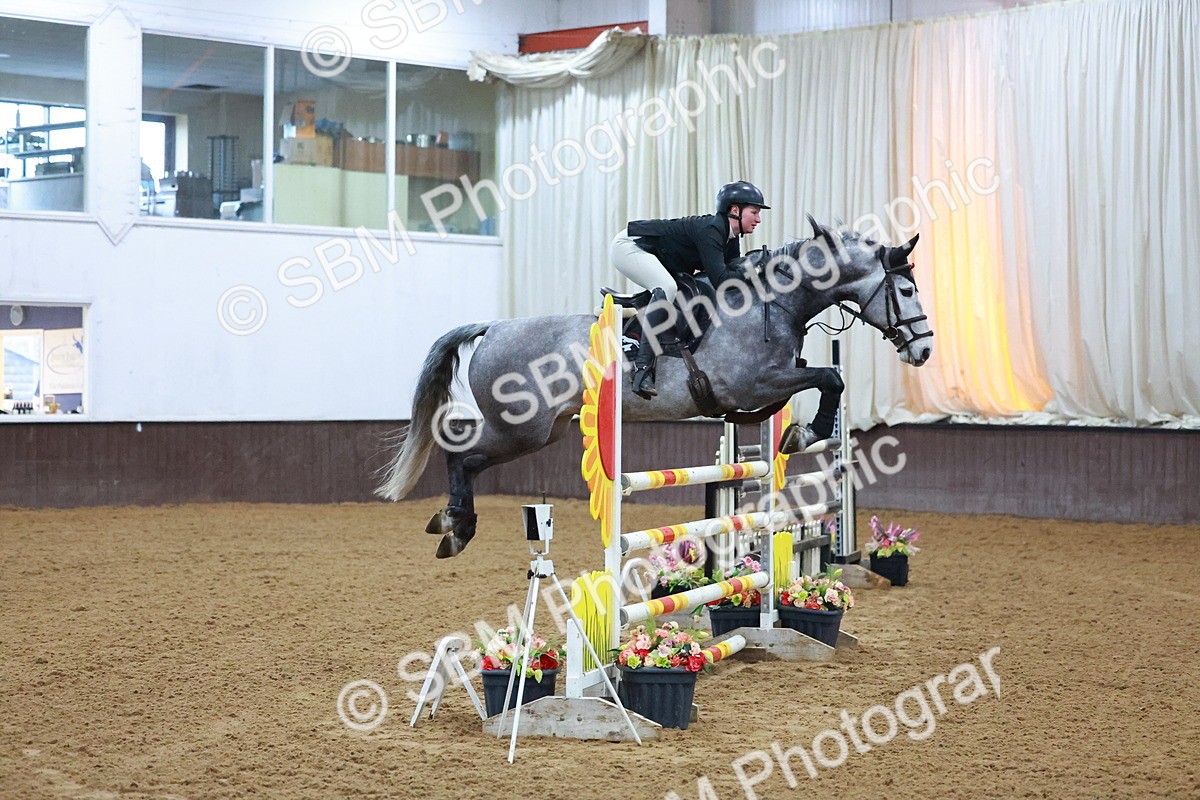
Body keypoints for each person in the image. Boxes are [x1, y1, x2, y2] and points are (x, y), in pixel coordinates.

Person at [608, 180, 770, 399]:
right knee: (666, 287)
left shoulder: (730, 237)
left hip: (656, 253)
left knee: (676, 286)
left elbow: (732, 274)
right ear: (735, 210)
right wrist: (756, 271)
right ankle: (642, 369)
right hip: (629, 246)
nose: (758, 219)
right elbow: (722, 280)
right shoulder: (712, 230)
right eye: (755, 212)